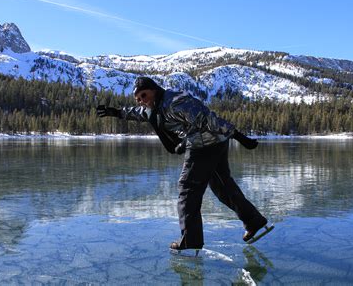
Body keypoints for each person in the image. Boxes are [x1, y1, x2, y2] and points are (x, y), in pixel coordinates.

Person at [97, 76, 268, 251]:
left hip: (203, 144)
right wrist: (115, 112)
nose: (142, 101)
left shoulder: (175, 101)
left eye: (144, 95)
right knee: (223, 187)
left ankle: (191, 240)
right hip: (213, 143)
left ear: (154, 90)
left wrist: (240, 137)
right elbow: (138, 113)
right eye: (138, 99)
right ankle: (254, 220)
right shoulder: (152, 107)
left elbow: (207, 118)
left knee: (187, 188)